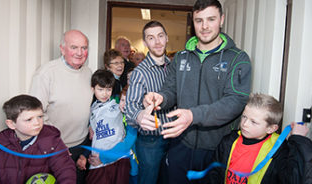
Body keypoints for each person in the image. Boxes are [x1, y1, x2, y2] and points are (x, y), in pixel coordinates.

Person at [143, 0, 252, 183]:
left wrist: (193, 115)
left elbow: (235, 102)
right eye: (199, 20)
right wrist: (161, 97)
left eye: (211, 19)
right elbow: (171, 90)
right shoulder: (181, 56)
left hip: (217, 148)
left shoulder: (238, 58)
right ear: (193, 22)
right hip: (181, 143)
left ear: (222, 19)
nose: (205, 26)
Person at [29, 29, 93, 183]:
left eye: (84, 48)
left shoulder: (88, 72)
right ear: (62, 49)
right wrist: (55, 144)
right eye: (73, 47)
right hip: (56, 148)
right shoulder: (46, 73)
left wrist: (92, 123)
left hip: (82, 145)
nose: (79, 53)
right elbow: (35, 114)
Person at [207, 93, 312, 184]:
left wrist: (299, 140)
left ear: (271, 128)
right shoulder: (229, 141)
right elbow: (214, 173)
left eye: (254, 122)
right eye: (244, 117)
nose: (245, 124)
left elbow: (294, 178)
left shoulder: (278, 150)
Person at [0, 95, 76, 183]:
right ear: (11, 124)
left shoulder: (53, 142)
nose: (37, 123)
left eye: (40, 117)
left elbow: (66, 171)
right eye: (29, 119)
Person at [125, 20, 174, 184]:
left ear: (167, 38)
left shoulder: (173, 67)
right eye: (151, 38)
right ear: (145, 43)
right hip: (151, 142)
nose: (158, 42)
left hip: (174, 137)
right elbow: (131, 107)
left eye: (160, 36)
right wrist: (139, 117)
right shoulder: (140, 72)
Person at [81, 69, 131, 184]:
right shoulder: (92, 107)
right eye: (100, 89)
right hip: (97, 160)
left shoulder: (117, 105)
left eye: (108, 89)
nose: (105, 93)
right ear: (92, 89)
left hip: (118, 159)